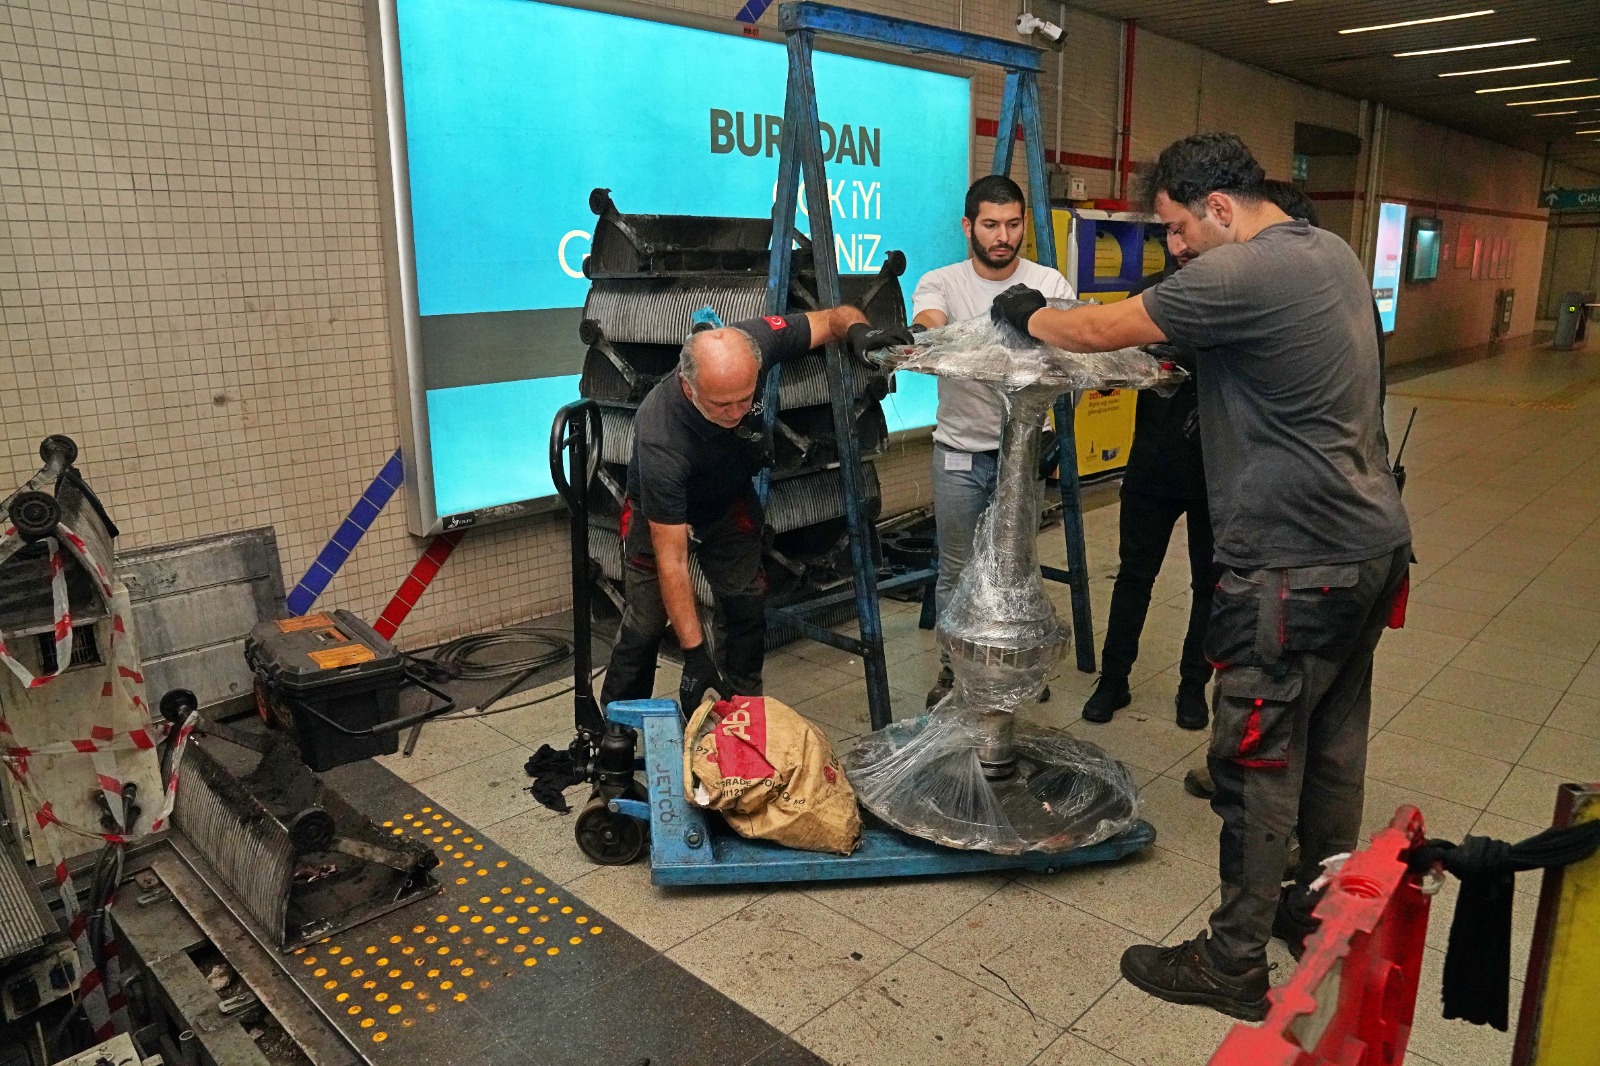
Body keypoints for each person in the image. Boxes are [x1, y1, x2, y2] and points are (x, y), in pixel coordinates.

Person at [990, 132, 1411, 1022]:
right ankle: (1316, 906)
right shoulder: (1326, 251)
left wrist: (1026, 311)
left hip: (1294, 563)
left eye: (1178, 229)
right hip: (1370, 544)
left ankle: (1233, 960)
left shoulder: (1238, 270)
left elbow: (1102, 326)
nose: (1173, 247)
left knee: (1253, 756)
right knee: (1330, 739)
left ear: (1220, 209)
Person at [598, 308, 910, 714]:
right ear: (689, 388)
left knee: (745, 606)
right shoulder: (662, 437)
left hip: (728, 501)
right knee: (646, 624)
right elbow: (672, 561)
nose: (735, 413)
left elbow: (834, 317)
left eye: (745, 400)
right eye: (721, 404)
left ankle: (741, 708)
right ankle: (614, 728)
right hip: (660, 515)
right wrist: (694, 655)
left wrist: (862, 332)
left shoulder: (756, 342)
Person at [910, 174, 1075, 707]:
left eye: (1011, 224)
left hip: (1023, 455)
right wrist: (940, 335)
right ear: (968, 227)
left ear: (1023, 224)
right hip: (959, 449)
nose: (1002, 236)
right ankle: (953, 670)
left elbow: (1072, 347)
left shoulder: (1049, 283)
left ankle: (1018, 665)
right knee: (956, 567)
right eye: (990, 225)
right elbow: (930, 325)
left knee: (1017, 564)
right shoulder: (942, 281)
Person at [1080, 227, 1211, 730]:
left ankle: (1193, 685)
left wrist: (1186, 356)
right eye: (1172, 233)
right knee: (1134, 575)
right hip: (1152, 464)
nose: (1180, 246)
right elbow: (1113, 357)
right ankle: (1114, 679)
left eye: (1187, 232)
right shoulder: (1150, 298)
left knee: (1210, 584)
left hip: (1213, 468)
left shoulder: (1230, 300)